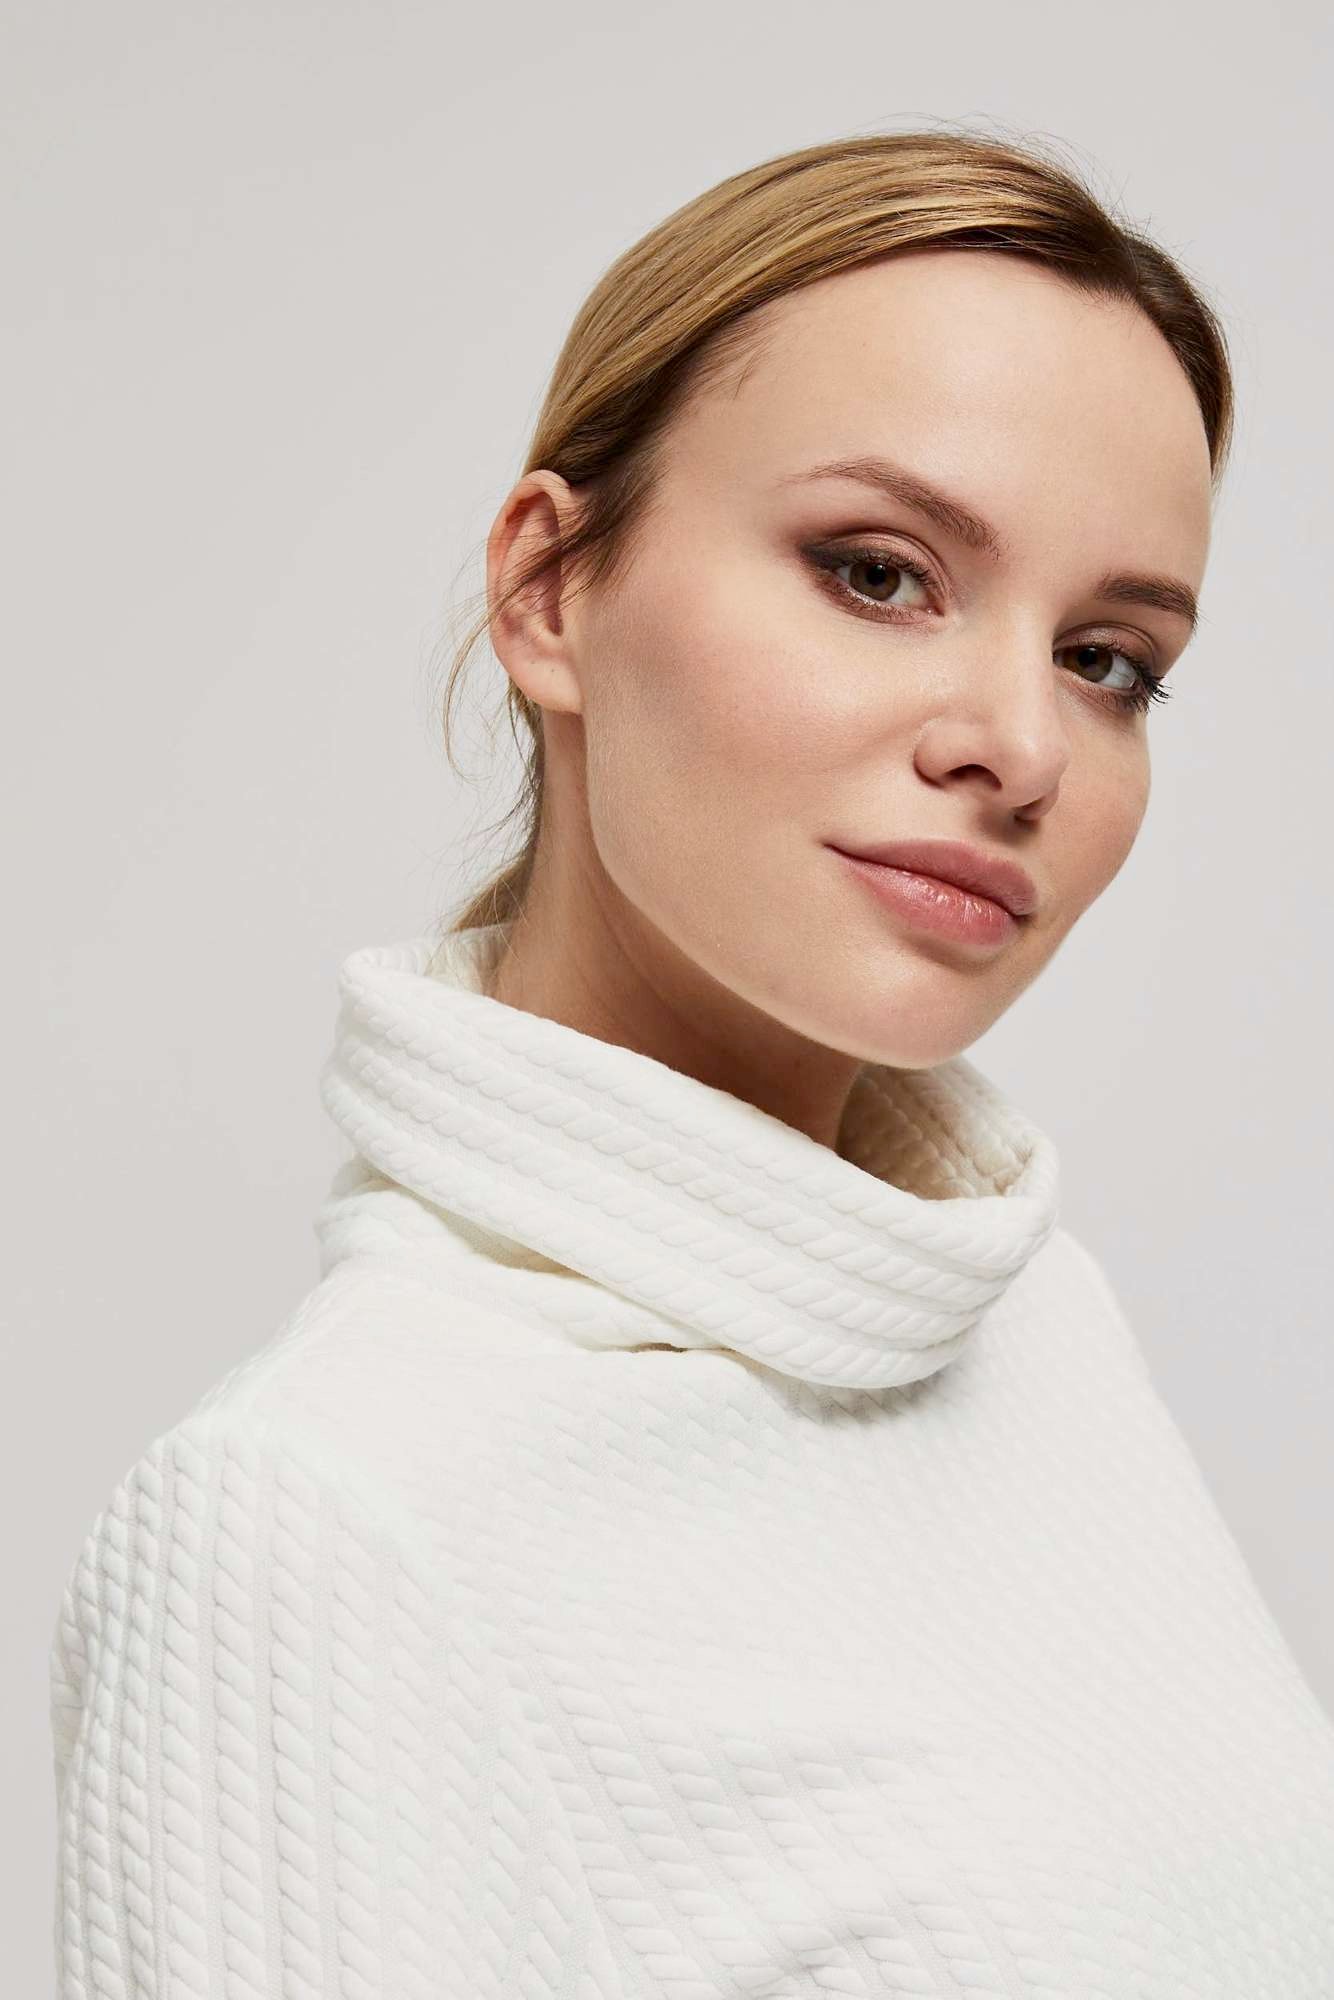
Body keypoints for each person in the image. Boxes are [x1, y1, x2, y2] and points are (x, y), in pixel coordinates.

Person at [49, 127, 1334, 1997]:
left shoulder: (1025, 1319)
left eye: (1108, 659)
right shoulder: (312, 1524)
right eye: (877, 572)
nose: (1020, 745)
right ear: (548, 592)